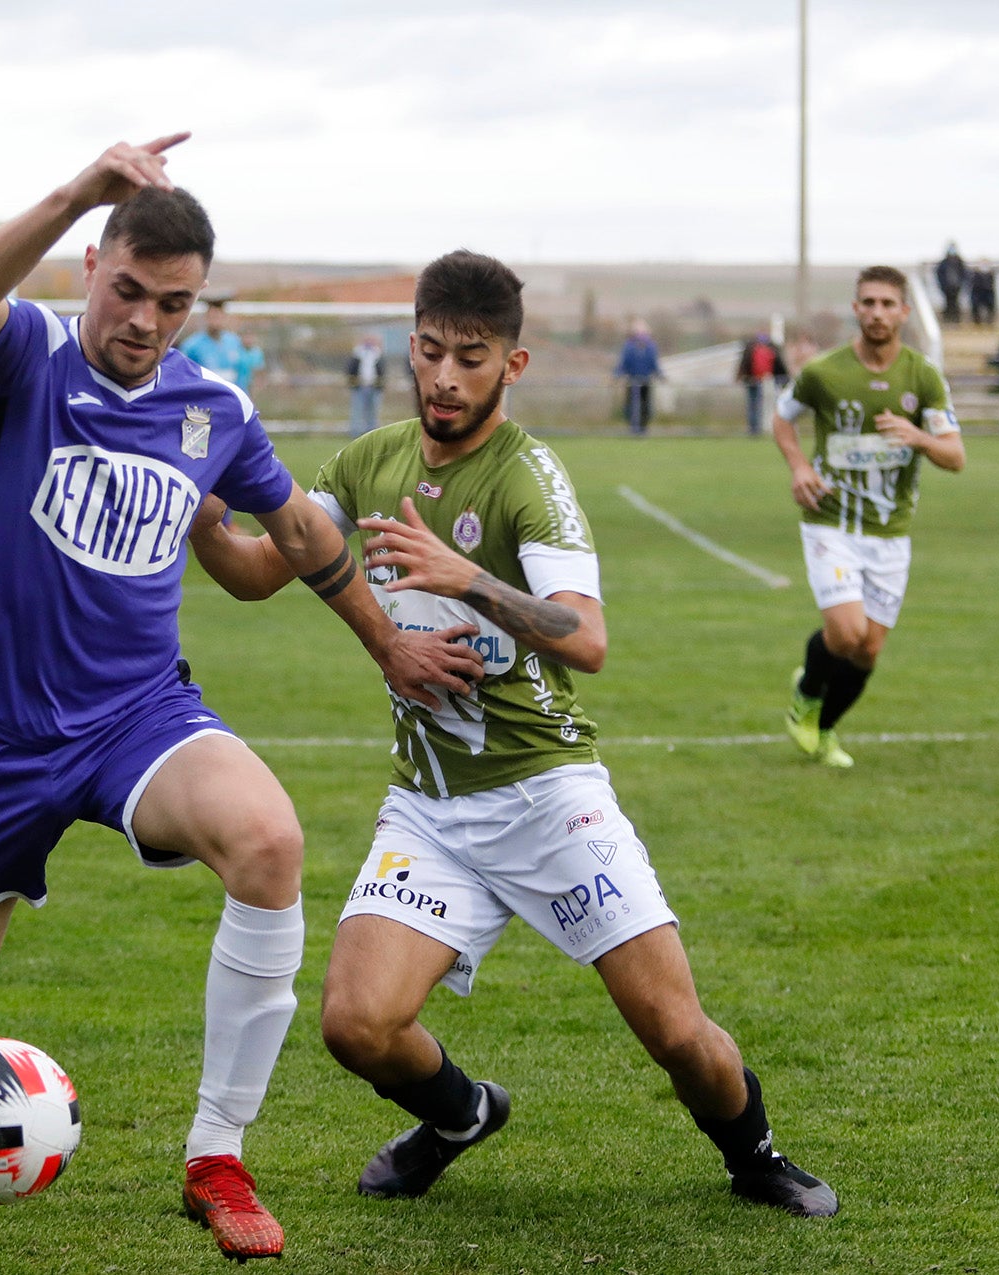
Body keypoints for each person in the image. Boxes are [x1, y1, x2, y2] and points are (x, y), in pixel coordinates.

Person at [0, 136, 479, 1263]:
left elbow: (300, 536)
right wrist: (85, 181)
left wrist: (386, 646)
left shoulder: (211, 407)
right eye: (128, 289)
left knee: (271, 842)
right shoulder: (24, 356)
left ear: (197, 303)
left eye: (173, 301)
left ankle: (215, 1157)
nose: (145, 318)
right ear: (91, 266)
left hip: (138, 718)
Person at [191, 249, 839, 1220]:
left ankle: (754, 1156)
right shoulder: (368, 464)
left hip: (547, 793)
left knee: (672, 1029)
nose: (446, 377)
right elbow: (252, 571)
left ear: (512, 365)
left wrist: (468, 580)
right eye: (432, 352)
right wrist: (196, 498)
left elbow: (588, 637)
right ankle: (458, 1116)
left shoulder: (527, 475)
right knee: (357, 1024)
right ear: (411, 347)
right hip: (432, 807)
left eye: (473, 357)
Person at [773, 265, 965, 769]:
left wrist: (918, 435)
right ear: (856, 309)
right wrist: (798, 467)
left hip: (890, 532)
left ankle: (825, 728)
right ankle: (806, 694)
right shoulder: (823, 372)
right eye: (868, 303)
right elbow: (782, 417)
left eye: (887, 304)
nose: (877, 312)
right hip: (830, 521)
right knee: (845, 634)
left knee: (868, 651)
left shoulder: (922, 377)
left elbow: (955, 456)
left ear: (904, 312)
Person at [179, 297, 245, 382]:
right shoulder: (192, 345)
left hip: (230, 392)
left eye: (219, 316)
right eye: (213, 316)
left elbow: (241, 371)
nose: (216, 320)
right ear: (206, 317)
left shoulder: (234, 341)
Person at [736, 331, 789, 436]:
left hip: (752, 380)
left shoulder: (750, 349)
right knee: (771, 405)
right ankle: (768, 428)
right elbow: (780, 365)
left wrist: (739, 376)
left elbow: (744, 363)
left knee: (753, 405)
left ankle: (754, 429)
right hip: (769, 380)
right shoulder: (772, 348)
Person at [614, 318, 660, 435]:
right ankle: (633, 429)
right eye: (638, 330)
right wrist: (616, 375)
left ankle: (643, 429)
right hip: (632, 381)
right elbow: (623, 363)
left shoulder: (651, 346)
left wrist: (660, 375)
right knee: (631, 406)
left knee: (645, 406)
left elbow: (654, 363)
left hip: (645, 381)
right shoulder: (629, 346)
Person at [347, 333, 385, 437]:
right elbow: (350, 370)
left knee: (373, 412)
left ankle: (372, 433)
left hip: (374, 387)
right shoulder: (357, 354)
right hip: (359, 387)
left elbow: (382, 371)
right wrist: (353, 383)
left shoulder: (378, 354)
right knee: (357, 411)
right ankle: (355, 433)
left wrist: (380, 385)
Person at [935, 243, 966, 323]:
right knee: (948, 304)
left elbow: (964, 274)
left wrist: (961, 284)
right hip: (947, 287)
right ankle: (948, 319)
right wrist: (942, 285)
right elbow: (939, 274)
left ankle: (956, 320)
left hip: (956, 287)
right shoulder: (944, 263)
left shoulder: (959, 262)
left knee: (956, 304)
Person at [968, 259, 996, 326]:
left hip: (988, 293)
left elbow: (992, 285)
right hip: (978, 293)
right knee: (975, 306)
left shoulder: (991, 274)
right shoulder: (975, 274)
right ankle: (977, 323)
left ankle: (990, 322)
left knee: (990, 306)